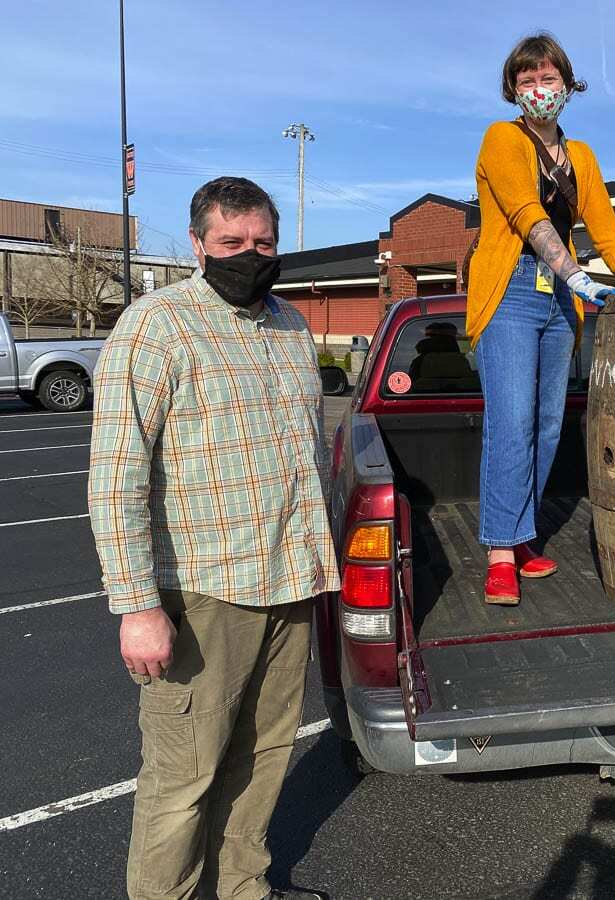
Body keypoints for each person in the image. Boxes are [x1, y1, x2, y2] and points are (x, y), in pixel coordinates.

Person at [88, 176, 337, 900]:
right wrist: (137, 606)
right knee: (181, 780)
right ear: (198, 244)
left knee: (262, 761)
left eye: (263, 243)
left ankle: (244, 888)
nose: (249, 255)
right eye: (231, 243)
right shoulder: (155, 325)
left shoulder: (291, 325)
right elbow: (116, 477)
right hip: (204, 593)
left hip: (289, 584)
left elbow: (303, 454)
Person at [468, 31, 615, 605]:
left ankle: (522, 531)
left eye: (546, 79)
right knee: (512, 420)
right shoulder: (502, 139)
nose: (537, 90)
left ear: (566, 84)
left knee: (549, 422)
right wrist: (572, 272)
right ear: (513, 89)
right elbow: (527, 213)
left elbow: (603, 224)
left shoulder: (580, 157)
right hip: (510, 291)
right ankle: (501, 551)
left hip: (558, 302)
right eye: (526, 81)